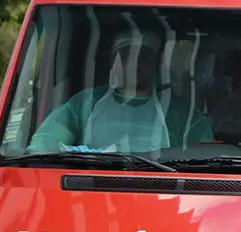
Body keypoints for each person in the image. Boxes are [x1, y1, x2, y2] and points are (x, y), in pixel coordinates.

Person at [27, 29, 214, 154]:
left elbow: (206, 158)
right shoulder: (86, 102)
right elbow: (43, 145)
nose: (136, 63)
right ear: (114, 62)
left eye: (144, 56)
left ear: (155, 64)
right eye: (128, 56)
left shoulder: (179, 112)